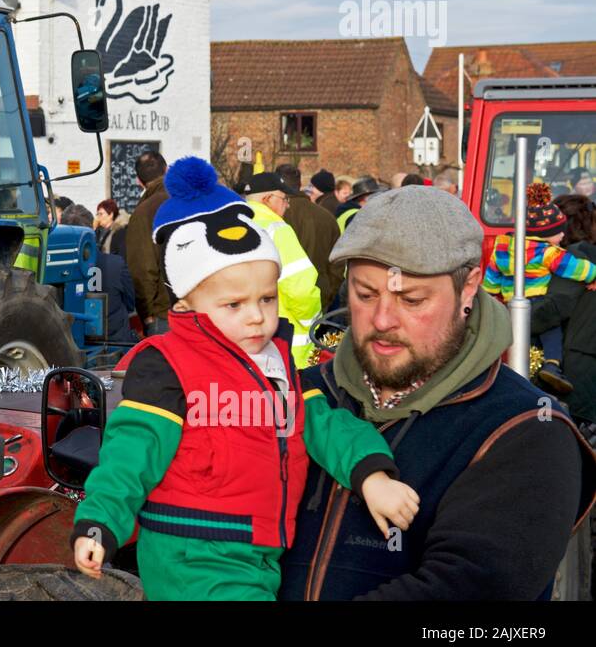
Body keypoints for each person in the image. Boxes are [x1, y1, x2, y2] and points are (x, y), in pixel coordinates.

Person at [71, 157, 418, 600]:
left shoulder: (274, 362)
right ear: (188, 304)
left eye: (267, 299)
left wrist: (372, 475)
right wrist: (100, 523)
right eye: (234, 305)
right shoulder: (167, 364)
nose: (256, 316)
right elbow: (131, 452)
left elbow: (323, 423)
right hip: (193, 551)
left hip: (260, 551)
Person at [280, 185, 596, 600]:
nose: (382, 319)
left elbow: (467, 587)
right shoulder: (302, 395)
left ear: (468, 290)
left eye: (411, 299)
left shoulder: (527, 428)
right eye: (364, 294)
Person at [481, 183, 596, 394]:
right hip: (535, 299)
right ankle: (552, 365)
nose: (561, 237)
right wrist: (593, 274)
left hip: (511, 301)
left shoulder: (503, 247)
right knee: (551, 333)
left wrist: (490, 293)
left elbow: (491, 277)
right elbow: (577, 269)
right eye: (557, 233)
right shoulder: (549, 253)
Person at [241, 171, 322, 367]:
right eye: (284, 199)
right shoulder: (278, 230)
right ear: (268, 199)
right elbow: (299, 287)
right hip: (285, 342)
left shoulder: (235, 224)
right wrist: (312, 321)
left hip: (244, 337)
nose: (287, 204)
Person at [64, 204, 137, 345]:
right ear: (92, 228)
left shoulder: (55, 272)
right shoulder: (116, 264)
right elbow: (130, 303)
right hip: (115, 345)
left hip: (71, 347)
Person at [276, 164, 345, 309]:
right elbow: (338, 262)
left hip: (281, 298)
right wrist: (329, 292)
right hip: (319, 295)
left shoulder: (273, 217)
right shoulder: (327, 217)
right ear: (300, 184)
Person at [124, 150, 171, 335]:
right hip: (203, 309)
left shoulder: (144, 211)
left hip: (164, 314)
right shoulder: (193, 200)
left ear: (138, 181)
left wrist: (147, 314)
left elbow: (142, 269)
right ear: (166, 170)